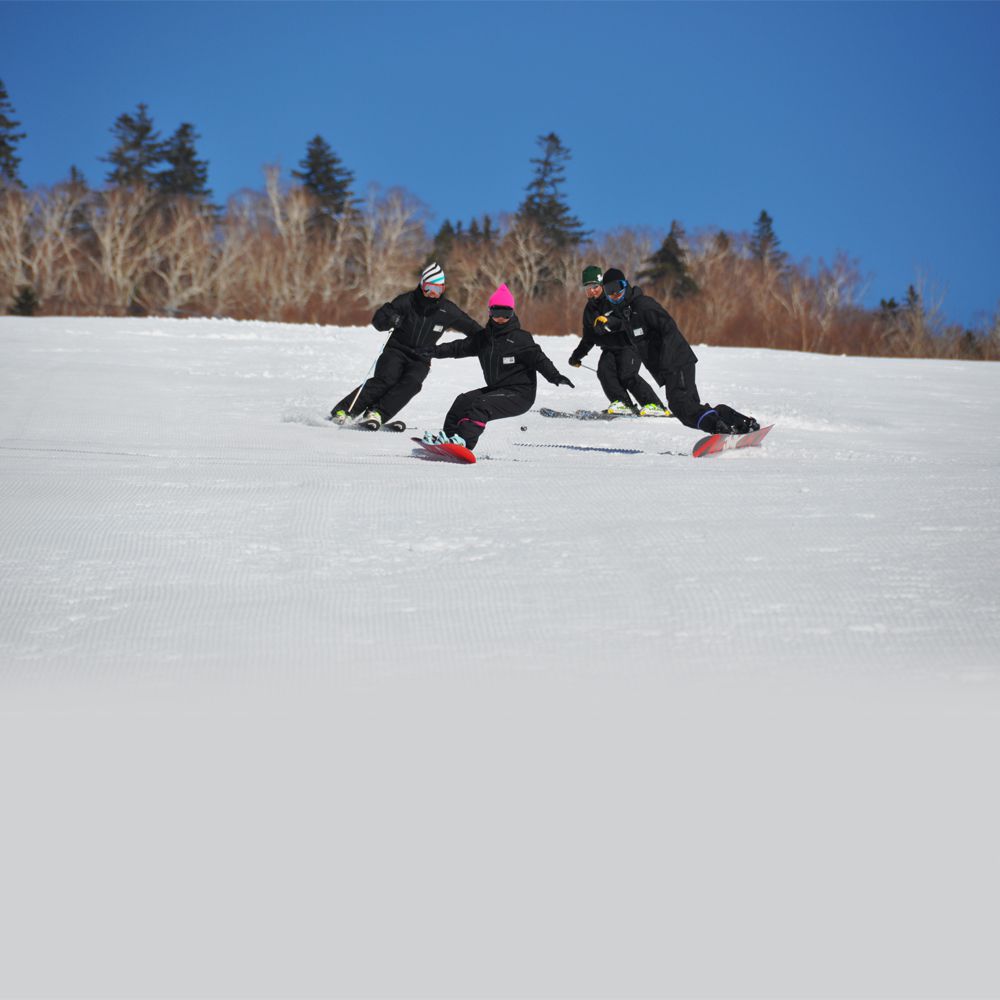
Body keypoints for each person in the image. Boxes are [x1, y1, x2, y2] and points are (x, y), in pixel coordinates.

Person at [596, 268, 760, 434]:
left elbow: (668, 327)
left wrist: (668, 362)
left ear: (626, 285)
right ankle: (739, 422)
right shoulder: (628, 314)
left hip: (675, 362)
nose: (615, 294)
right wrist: (610, 324)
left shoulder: (643, 305)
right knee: (690, 407)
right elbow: (630, 326)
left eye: (618, 288)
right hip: (673, 366)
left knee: (680, 405)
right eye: (610, 291)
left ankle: (718, 428)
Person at [423, 283, 575, 451]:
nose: (501, 318)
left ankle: (463, 442)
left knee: (481, 405)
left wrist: (555, 376)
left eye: (506, 313)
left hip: (521, 394)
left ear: (512, 313)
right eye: (497, 313)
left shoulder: (520, 339)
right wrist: (433, 351)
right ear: (490, 313)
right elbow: (457, 348)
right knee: (463, 401)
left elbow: (539, 359)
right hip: (497, 389)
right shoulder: (483, 338)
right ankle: (449, 439)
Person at [329, 262, 480, 427]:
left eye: (437, 289)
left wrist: (492, 339)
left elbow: (473, 329)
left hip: (421, 358)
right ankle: (344, 411)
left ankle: (376, 413)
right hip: (396, 350)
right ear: (422, 285)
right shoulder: (406, 301)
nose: (432, 293)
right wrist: (391, 319)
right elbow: (378, 321)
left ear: (443, 289)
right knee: (386, 379)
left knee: (412, 384)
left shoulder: (447, 310)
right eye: (428, 288)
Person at [568, 265, 667, 416]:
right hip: (609, 348)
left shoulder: (614, 298)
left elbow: (629, 319)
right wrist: (577, 355)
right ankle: (623, 404)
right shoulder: (590, 310)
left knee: (627, 374)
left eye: (595, 286)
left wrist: (610, 323)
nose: (592, 291)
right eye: (588, 288)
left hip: (630, 345)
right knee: (604, 371)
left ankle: (654, 405)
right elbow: (589, 336)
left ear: (601, 285)